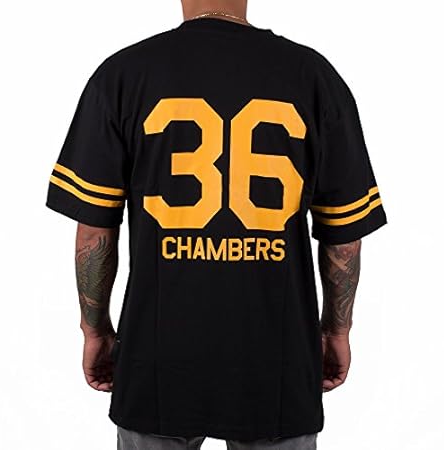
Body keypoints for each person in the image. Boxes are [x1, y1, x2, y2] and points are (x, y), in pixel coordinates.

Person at [45, 0, 387, 449]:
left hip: (155, 359)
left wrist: (94, 328)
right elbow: (344, 235)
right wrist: (336, 329)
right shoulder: (314, 77)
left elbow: (94, 230)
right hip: (279, 361)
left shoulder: (123, 75)